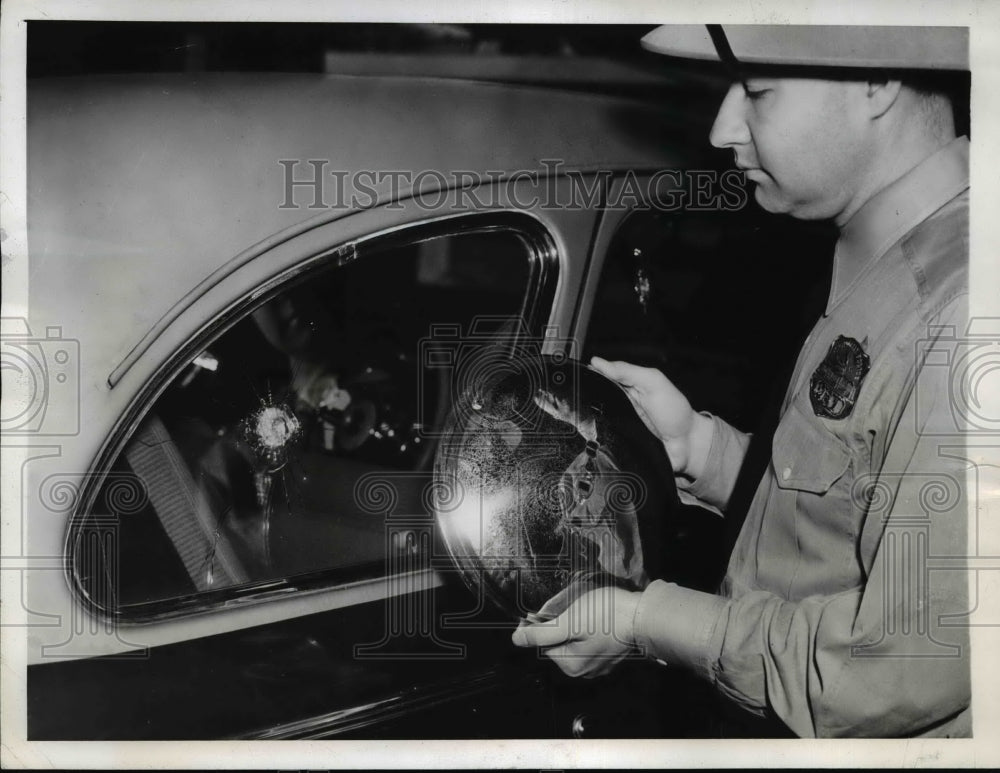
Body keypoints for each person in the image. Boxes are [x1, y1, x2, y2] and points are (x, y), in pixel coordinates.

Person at [512, 24, 971, 738]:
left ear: (877, 82)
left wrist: (642, 620)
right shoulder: (890, 265)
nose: (725, 126)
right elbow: (850, 515)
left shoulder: (964, 310)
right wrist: (704, 450)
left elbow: (895, 665)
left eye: (758, 91)